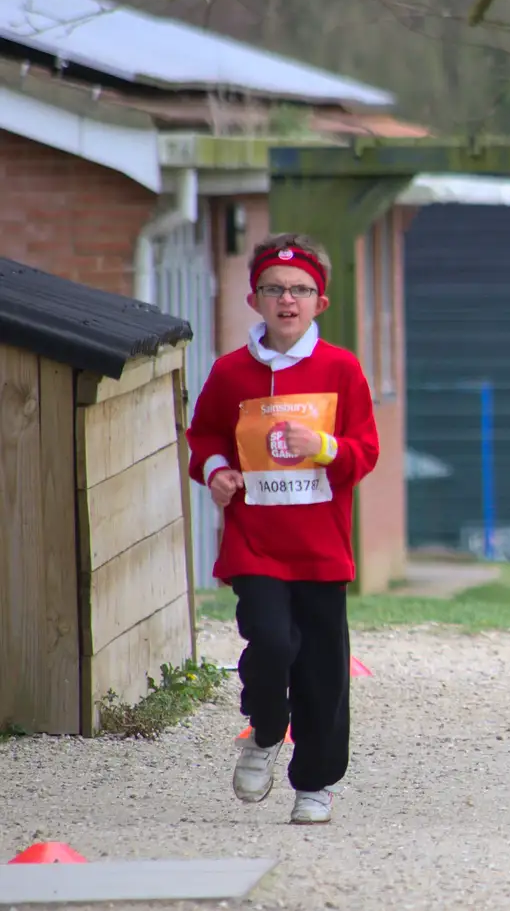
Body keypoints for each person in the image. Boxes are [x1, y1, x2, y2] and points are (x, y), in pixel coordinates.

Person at [185, 233, 380, 826]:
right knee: (270, 643)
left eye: (300, 290)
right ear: (254, 298)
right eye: (275, 289)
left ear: (320, 302)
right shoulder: (230, 372)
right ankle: (267, 730)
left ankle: (314, 783)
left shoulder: (341, 369)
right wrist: (217, 471)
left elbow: (365, 451)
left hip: (321, 547)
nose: (287, 300)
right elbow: (205, 438)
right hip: (255, 542)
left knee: (322, 668)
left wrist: (321, 446)